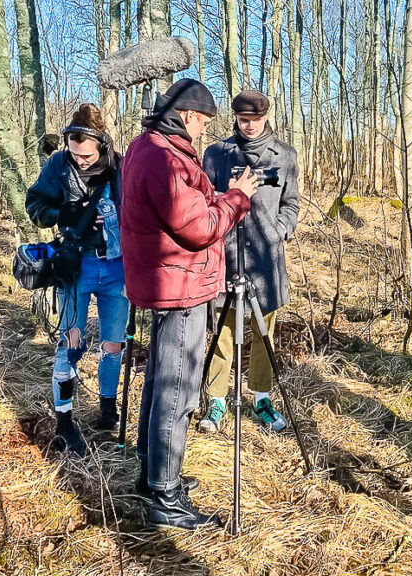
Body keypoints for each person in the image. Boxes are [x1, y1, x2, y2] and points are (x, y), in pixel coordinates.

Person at [119, 79, 259, 529]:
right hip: (179, 286)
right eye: (201, 122)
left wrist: (221, 196)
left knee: (163, 381)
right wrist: (239, 199)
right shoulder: (163, 155)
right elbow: (198, 227)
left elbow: (187, 207)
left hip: (170, 280)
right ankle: (165, 493)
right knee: (177, 390)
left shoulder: (151, 146)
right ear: (188, 116)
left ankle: (154, 473)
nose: (202, 131)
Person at [25, 103, 128, 458]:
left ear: (102, 144)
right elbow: (35, 205)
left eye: (87, 155)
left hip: (117, 269)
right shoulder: (58, 165)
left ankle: (107, 405)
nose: (81, 160)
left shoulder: (121, 166)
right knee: (70, 343)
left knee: (114, 344)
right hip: (76, 268)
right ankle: (65, 421)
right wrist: (65, 212)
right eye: (75, 153)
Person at [199, 90, 300, 434]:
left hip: (266, 260)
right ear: (235, 119)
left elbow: (291, 203)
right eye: (244, 120)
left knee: (263, 332)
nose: (251, 126)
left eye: (256, 120)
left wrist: (278, 232)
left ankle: (261, 397)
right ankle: (216, 400)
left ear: (267, 117)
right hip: (225, 255)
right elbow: (202, 201)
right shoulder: (216, 154)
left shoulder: (284, 155)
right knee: (223, 331)